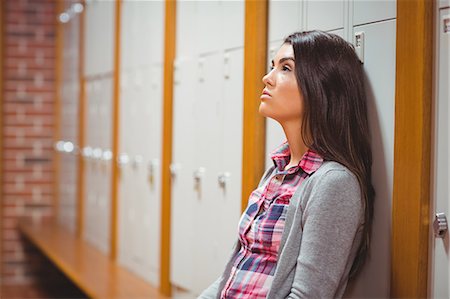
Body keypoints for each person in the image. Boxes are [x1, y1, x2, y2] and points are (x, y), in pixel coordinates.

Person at [199, 30, 375, 299]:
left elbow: (307, 295)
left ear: (321, 85)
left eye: (285, 68)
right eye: (273, 66)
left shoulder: (333, 183)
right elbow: (236, 269)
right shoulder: (277, 170)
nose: (267, 78)